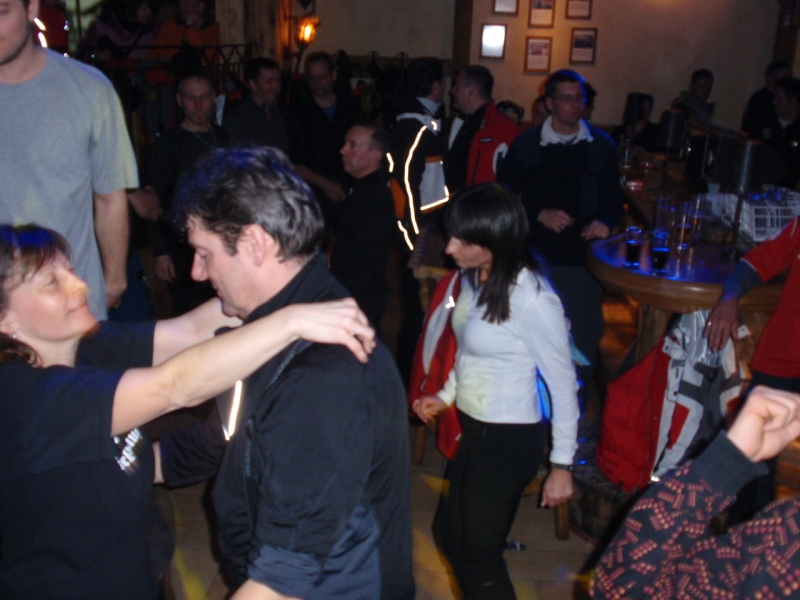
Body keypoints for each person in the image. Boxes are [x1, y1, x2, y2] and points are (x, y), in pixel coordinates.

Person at [0, 223, 376, 599]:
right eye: (52, 282)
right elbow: (174, 387)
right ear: (5, 320)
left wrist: (277, 280)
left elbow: (191, 332)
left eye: (70, 270)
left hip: (133, 570)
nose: (78, 285)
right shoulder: (21, 398)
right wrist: (292, 320)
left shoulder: (86, 346)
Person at [157, 146, 415, 599]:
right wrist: (131, 465)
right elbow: (227, 437)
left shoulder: (322, 375)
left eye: (204, 253)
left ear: (255, 244)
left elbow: (283, 580)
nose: (196, 272)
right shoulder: (274, 324)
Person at [412, 184, 580, 600]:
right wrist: (445, 396)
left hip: (508, 438)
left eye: (462, 240)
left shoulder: (533, 298)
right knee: (447, 533)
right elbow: (469, 351)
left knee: (479, 555)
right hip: (476, 429)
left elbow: (563, 385)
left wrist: (561, 465)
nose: (449, 247)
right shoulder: (474, 276)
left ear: (494, 242)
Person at [592, 386, 800, 599]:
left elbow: (621, 590)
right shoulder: (788, 535)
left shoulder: (787, 543)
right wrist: (728, 461)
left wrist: (724, 463)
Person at [0, 0, 136, 320]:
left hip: (69, 306)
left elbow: (110, 197)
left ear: (31, 8)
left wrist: (113, 281)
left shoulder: (88, 89)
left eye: (1, 11)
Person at [498, 69, 623, 400]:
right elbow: (503, 198)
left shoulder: (602, 146)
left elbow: (613, 202)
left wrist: (605, 223)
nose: (575, 105)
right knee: (534, 330)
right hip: (537, 257)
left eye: (579, 98)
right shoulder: (527, 145)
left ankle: (575, 401)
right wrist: (538, 214)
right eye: (567, 98)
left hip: (584, 260)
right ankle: (532, 399)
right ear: (550, 103)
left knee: (585, 333)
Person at [705, 215, 800, 520]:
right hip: (782, 358)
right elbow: (755, 264)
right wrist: (730, 298)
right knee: (751, 459)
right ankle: (743, 536)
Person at [147, 70, 229, 315]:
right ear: (180, 101)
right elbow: (153, 199)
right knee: (191, 311)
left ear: (213, 99)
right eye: (191, 98)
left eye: (204, 97)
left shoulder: (221, 136)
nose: (198, 105)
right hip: (183, 247)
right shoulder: (169, 143)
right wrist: (161, 251)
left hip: (222, 240)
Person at [390, 55, 449, 381]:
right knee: (417, 315)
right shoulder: (414, 128)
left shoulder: (426, 123)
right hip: (421, 234)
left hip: (429, 230)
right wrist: (414, 237)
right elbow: (403, 187)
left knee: (429, 311)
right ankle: (406, 385)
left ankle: (420, 379)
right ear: (436, 85)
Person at [330, 123, 396, 332]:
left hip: (357, 301)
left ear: (374, 156)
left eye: (353, 146)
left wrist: (345, 300)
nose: (343, 150)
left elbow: (368, 261)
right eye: (345, 144)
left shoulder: (372, 200)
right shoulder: (361, 190)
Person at [287, 51, 361, 230]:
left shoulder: (350, 108)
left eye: (322, 77)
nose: (317, 83)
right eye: (313, 78)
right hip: (316, 191)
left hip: (349, 184)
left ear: (333, 75)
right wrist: (326, 185)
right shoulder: (299, 115)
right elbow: (295, 162)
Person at [447, 65, 522, 193]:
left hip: (486, 204)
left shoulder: (505, 129)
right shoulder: (458, 124)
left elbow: (517, 180)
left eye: (457, 86)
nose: (452, 91)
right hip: (456, 203)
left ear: (472, 91)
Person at [223, 56, 288, 152]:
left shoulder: (277, 114)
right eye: (269, 81)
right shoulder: (239, 118)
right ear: (253, 84)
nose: (276, 87)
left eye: (278, 81)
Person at [741, 60, 792, 141]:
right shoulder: (759, 101)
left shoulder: (789, 100)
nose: (787, 83)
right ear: (770, 78)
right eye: (783, 79)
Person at [766, 76, 800, 189]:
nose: (774, 102)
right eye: (774, 97)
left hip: (791, 191)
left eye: (779, 99)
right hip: (762, 188)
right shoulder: (766, 122)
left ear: (793, 100)